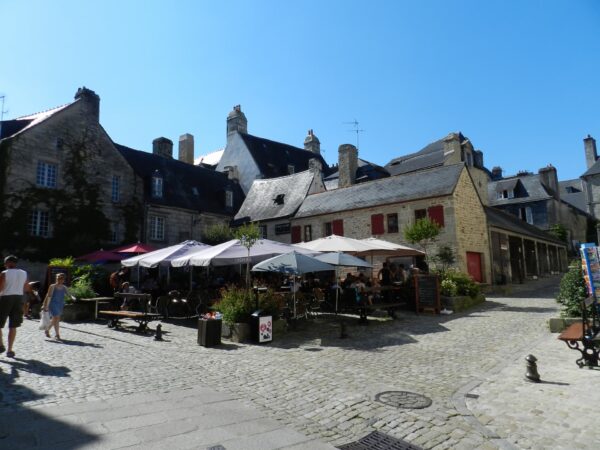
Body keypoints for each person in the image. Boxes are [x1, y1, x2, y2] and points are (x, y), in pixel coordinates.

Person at [0, 255, 32, 357]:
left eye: (5, 263)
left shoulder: (5, 273)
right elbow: (27, 288)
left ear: (8, 263)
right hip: (18, 299)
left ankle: (0, 344)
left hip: (5, 298)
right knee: (13, 326)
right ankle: (10, 350)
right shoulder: (24, 273)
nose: (5, 265)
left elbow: (0, 288)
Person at [42, 273, 73, 340]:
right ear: (56, 279)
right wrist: (45, 305)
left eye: (61, 279)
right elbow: (48, 296)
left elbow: (69, 294)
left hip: (60, 304)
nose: (60, 280)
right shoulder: (52, 286)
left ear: (63, 280)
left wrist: (73, 297)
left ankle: (47, 330)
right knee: (56, 317)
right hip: (53, 304)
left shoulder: (64, 287)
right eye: (58, 278)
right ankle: (57, 334)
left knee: (55, 319)